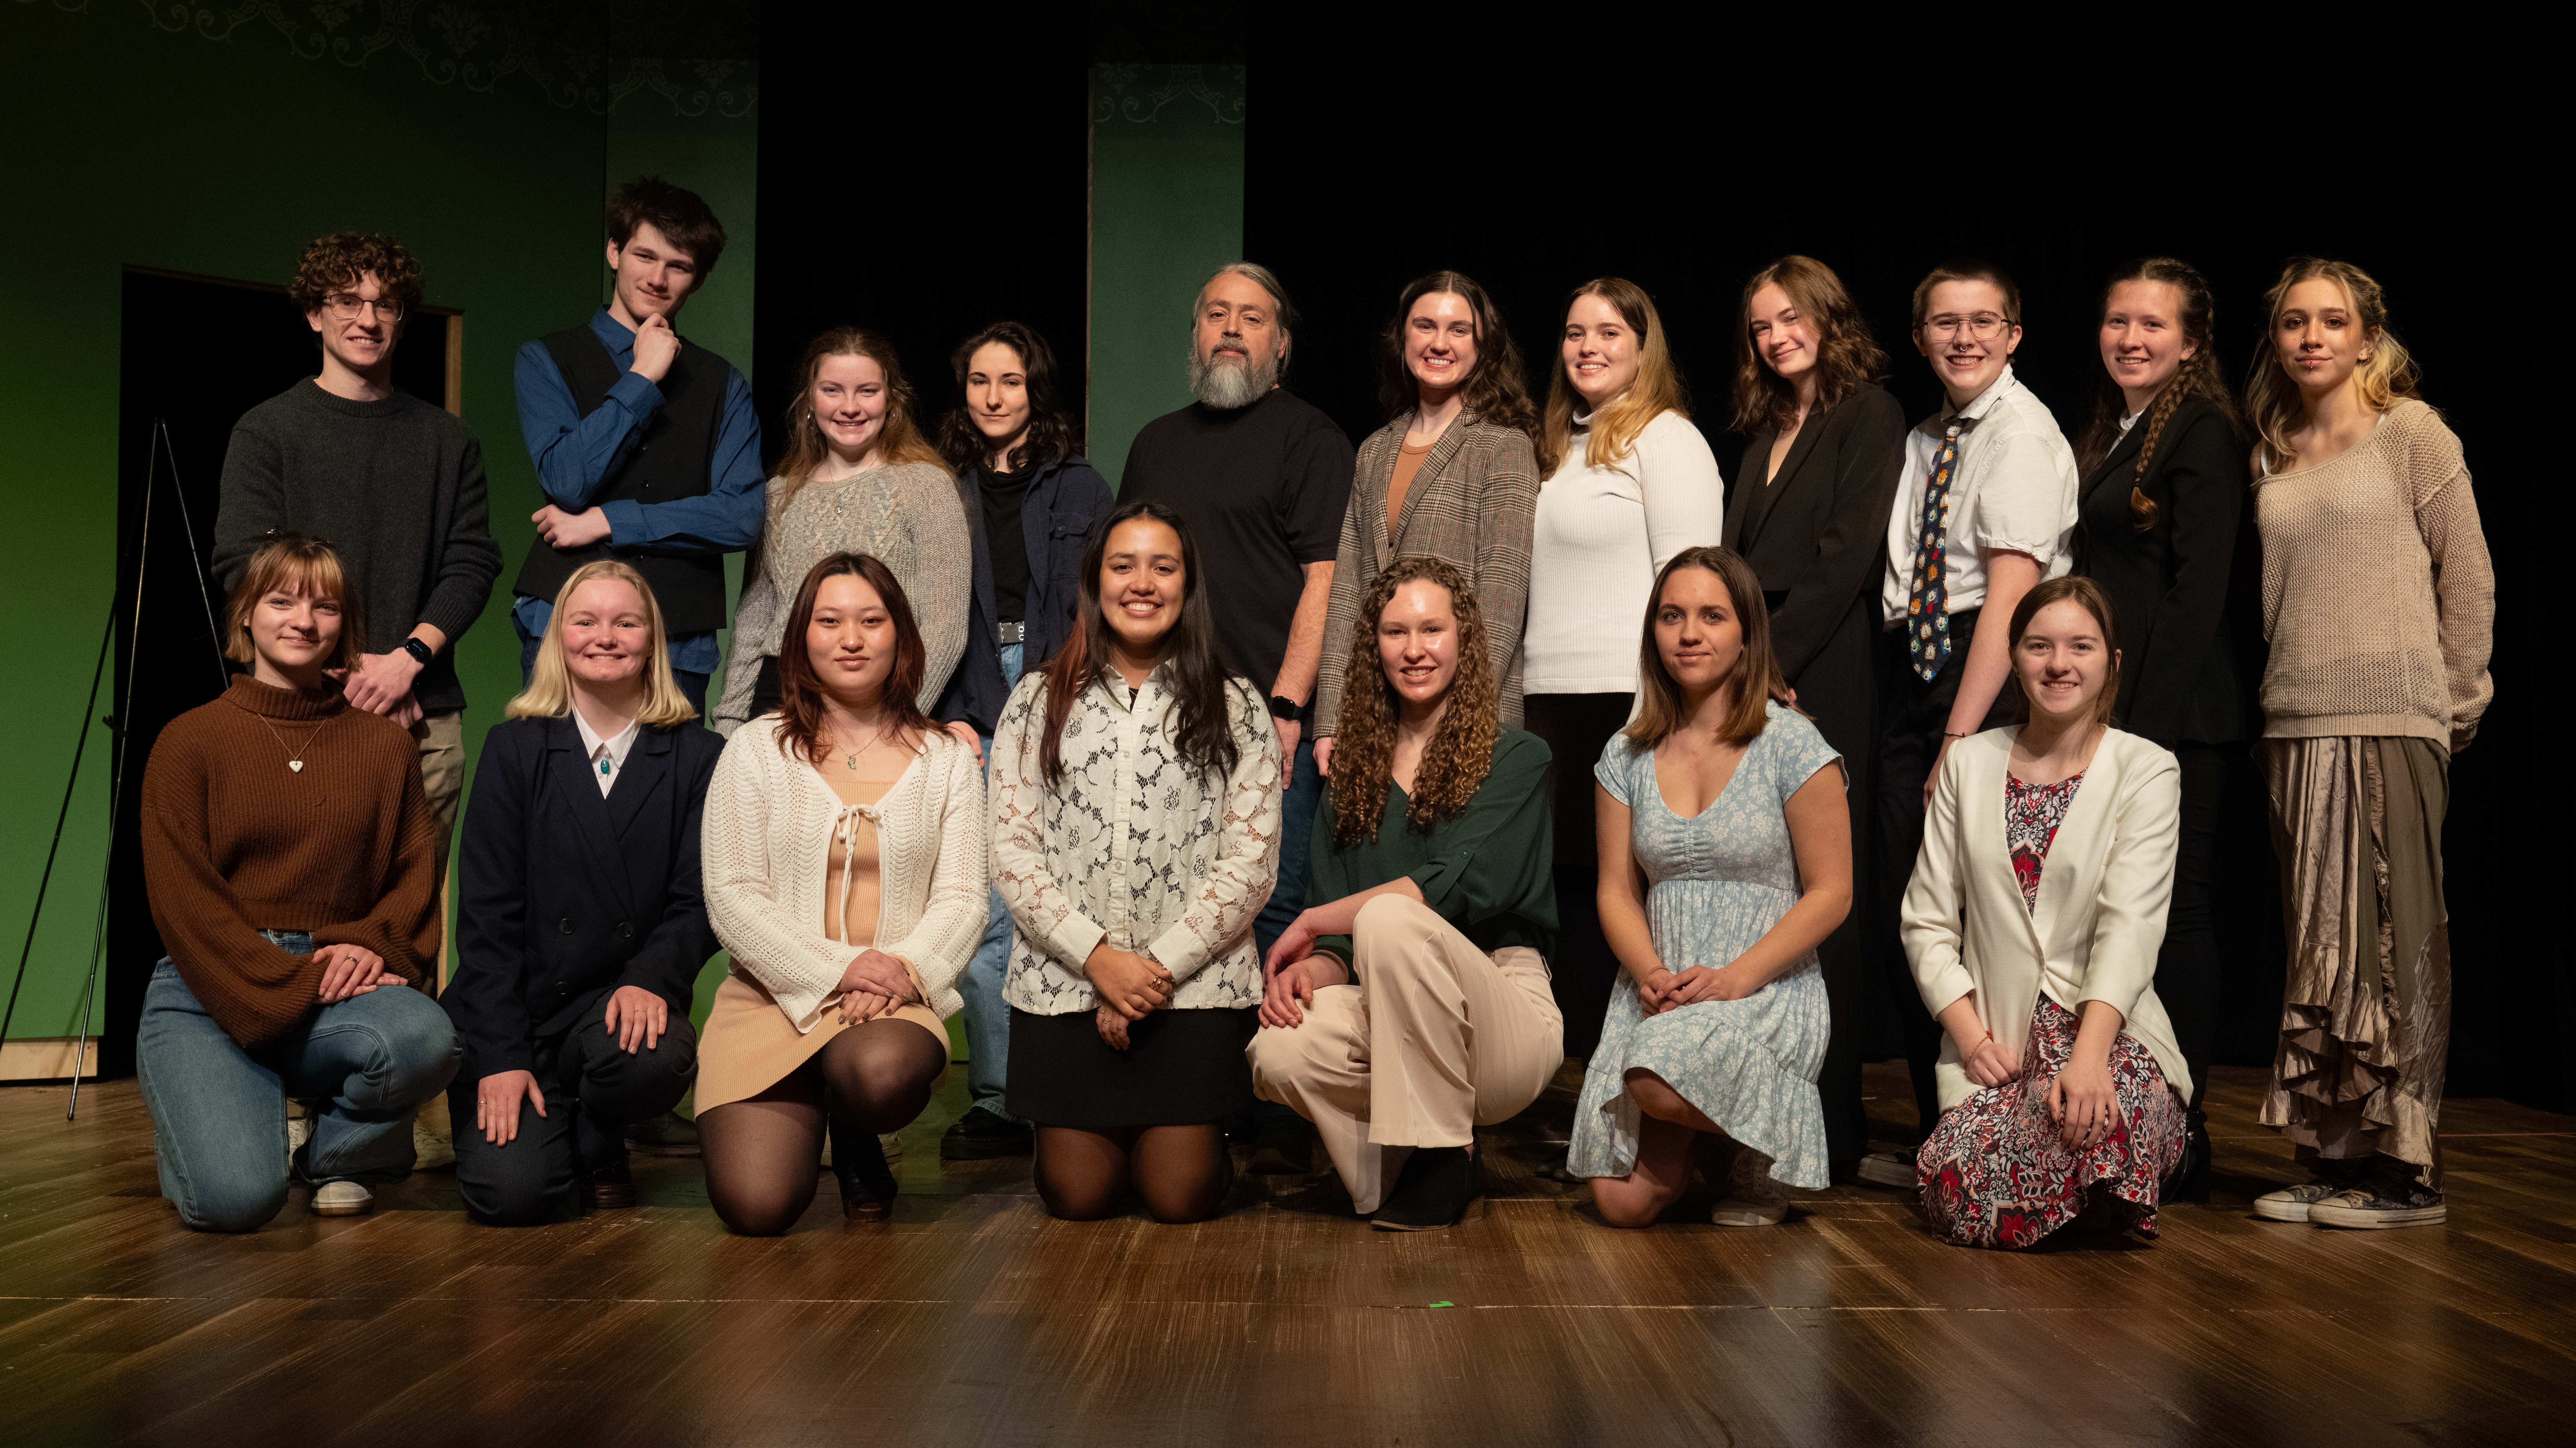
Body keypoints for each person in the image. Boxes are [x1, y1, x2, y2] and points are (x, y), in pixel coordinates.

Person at [213, 230, 500, 1170]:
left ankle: (378, 1119)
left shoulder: (445, 438)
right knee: (297, 911)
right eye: (348, 301)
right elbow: (241, 564)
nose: (368, 318)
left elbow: (472, 562)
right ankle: (294, 1098)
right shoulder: (270, 429)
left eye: (385, 304)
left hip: (423, 709)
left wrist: (407, 661)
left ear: (402, 319)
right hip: (297, 713)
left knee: (404, 922)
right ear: (314, 314)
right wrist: (347, 677)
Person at [2241, 260, 2492, 1231]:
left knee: (2395, 940)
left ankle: (2406, 1171)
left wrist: (2455, 701)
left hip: (2393, 713)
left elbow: (2468, 573)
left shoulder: (2412, 433)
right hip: (2296, 720)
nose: (2312, 338)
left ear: (2367, 335)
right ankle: (2332, 1153)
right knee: (2322, 949)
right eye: (2295, 323)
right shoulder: (2273, 449)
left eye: (2332, 321)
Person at [136, 536, 459, 1230]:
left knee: (426, 1039)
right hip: (209, 992)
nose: (304, 621)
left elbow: (413, 877)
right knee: (237, 1203)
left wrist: (373, 946)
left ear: (347, 625)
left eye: (326, 606)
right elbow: (185, 905)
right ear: (246, 615)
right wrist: (302, 978)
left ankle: (338, 1158)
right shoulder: (188, 741)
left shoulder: (384, 746)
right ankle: (215, 1127)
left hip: (331, 986)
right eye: (281, 601)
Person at [1116, 262, 1351, 1172]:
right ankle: (1195, 1098)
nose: (1230, 328)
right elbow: (1129, 577)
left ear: (1281, 342)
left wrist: (1291, 704)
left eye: (1252, 317)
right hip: (1164, 719)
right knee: (1176, 906)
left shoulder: (1310, 439)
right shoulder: (1155, 442)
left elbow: (1325, 580)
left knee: (1267, 908)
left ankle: (1269, 1107)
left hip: (1266, 716)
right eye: (1215, 312)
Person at [989, 501, 1282, 1224]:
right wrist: (1099, 962)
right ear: (1095, 581)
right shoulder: (1035, 701)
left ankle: (1195, 1136)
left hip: (1189, 990)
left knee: (1177, 1198)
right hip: (1066, 985)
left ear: (1188, 586)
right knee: (1079, 1197)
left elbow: (1251, 863)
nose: (1142, 582)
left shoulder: (1236, 704)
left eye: (1163, 566)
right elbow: (1012, 850)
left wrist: (1150, 972)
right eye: (1123, 566)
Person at [1251, 558, 1562, 1230]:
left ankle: (1442, 1156)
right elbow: (1341, 945)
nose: (1415, 650)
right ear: (1374, 647)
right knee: (1277, 1053)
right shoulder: (1351, 777)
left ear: (1464, 642)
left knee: (1391, 916)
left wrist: (1313, 917)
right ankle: (1395, 1174)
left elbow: (1444, 891)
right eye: (1396, 632)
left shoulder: (1519, 758)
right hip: (1383, 1004)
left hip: (1502, 1016)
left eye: (1432, 630)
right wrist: (1314, 965)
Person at [1859, 259, 2079, 1189]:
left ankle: (1996, 1127)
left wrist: (1958, 734)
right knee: (1918, 902)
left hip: (1977, 670)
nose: (1963, 338)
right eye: (1944, 322)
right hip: (1912, 666)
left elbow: (2010, 593)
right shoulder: (1925, 438)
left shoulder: (2022, 435)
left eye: (1983, 321)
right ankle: (1938, 1129)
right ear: (1920, 338)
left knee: (1972, 905)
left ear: (2015, 334)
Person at [698, 555, 987, 1233]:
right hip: (773, 994)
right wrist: (838, 968)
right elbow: (732, 895)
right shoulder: (753, 750)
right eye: (829, 621)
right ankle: (824, 1114)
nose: (850, 638)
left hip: (889, 999)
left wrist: (903, 970)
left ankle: (855, 1125)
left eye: (871, 620)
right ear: (801, 636)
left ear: (902, 637)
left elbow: (964, 899)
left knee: (878, 1073)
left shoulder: (946, 758)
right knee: (757, 1207)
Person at [1903, 576, 2189, 1249]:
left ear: (2111, 662)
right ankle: (2094, 1195)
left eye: (2080, 646)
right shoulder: (1968, 764)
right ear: (2014, 657)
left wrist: (2089, 1057)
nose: (2059, 663)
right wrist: (1972, 1039)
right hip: (1996, 1050)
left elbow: (2132, 924)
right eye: (2039, 646)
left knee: (2101, 1112)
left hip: (2107, 1037)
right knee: (1959, 1183)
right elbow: (1927, 923)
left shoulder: (2146, 770)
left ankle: (2109, 1177)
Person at [1574, 548, 1850, 1228]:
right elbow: (1615, 890)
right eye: (1672, 616)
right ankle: (1722, 1136)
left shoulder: (1792, 744)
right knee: (1619, 1202)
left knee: (1652, 1076)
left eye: (1711, 616)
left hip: (1764, 987)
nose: (1690, 633)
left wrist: (1735, 978)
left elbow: (1833, 891)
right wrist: (1651, 972)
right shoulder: (1626, 754)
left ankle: (1759, 1150)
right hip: (1664, 992)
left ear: (1747, 633)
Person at [441, 561, 721, 1224]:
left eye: (626, 622)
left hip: (619, 1011)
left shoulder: (698, 756)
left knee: (653, 1059)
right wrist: (504, 1057)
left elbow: (700, 901)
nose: (606, 636)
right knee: (515, 1197)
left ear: (652, 641)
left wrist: (653, 976)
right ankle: (551, 1124)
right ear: (557, 637)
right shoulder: (513, 749)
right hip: (521, 1017)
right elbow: (486, 923)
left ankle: (600, 1139)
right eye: (585, 620)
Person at [1719, 256, 1907, 1172]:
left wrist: (1767, 662)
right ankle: (1764, 1110)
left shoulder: (1867, 412)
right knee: (1769, 890)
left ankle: (1832, 1128)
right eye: (1760, 324)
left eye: (1790, 316)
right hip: (1757, 663)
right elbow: (1733, 558)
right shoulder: (1764, 431)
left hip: (1820, 666)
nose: (1775, 334)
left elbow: (1846, 557)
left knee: (1826, 892)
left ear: (1830, 316)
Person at [2070, 257, 2249, 1202]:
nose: (2130, 338)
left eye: (2151, 325)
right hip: (2129, 721)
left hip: (2179, 724)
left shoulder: (2202, 430)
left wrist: (2138, 735)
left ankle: (2185, 1132)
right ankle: (2135, 1113)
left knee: (2176, 918)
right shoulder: (2125, 430)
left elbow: (2196, 597)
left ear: (2189, 341)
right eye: (2117, 322)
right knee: (2127, 919)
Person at [1523, 276, 1725, 1062]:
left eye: (1610, 333)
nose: (1589, 348)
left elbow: (1693, 590)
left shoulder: (1668, 440)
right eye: (1576, 332)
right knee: (1564, 893)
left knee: (1626, 893)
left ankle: (1633, 1070)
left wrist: (1667, 706)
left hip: (1626, 698)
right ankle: (1573, 1079)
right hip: (1545, 700)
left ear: (1644, 349)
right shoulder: (1553, 446)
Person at [930, 320, 1117, 1164]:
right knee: (988, 908)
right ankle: (1004, 1101)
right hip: (968, 701)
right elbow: (930, 615)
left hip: (1065, 694)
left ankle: (1071, 1089)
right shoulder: (942, 487)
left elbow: (1106, 602)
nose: (994, 396)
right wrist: (948, 709)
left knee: (1072, 895)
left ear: (1035, 390)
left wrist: (1068, 697)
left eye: (1011, 381)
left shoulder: (1080, 487)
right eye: (979, 381)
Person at [509, 176, 764, 718]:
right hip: (564, 618)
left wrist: (609, 521)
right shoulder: (547, 359)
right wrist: (643, 377)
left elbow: (743, 517)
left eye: (679, 266)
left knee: (668, 796)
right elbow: (566, 480)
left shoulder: (723, 383)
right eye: (644, 256)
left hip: (677, 633)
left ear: (698, 279)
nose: (657, 278)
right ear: (614, 252)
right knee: (556, 786)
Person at [1312, 271, 1540, 766]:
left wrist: (1462, 717)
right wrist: (1330, 720)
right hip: (1376, 714)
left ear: (1483, 346)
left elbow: (1501, 597)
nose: (1440, 343)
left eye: (1459, 330)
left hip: (1469, 720)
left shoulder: (1503, 446)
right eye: (1425, 326)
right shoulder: (1374, 451)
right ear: (1403, 338)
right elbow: (1349, 591)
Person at [713, 329, 971, 734]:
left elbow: (945, 628)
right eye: (832, 390)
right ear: (810, 400)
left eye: (867, 391)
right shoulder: (779, 492)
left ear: (891, 399)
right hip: (778, 696)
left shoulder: (926, 486)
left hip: (878, 694)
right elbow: (756, 618)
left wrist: (894, 720)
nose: (850, 407)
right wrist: (730, 722)